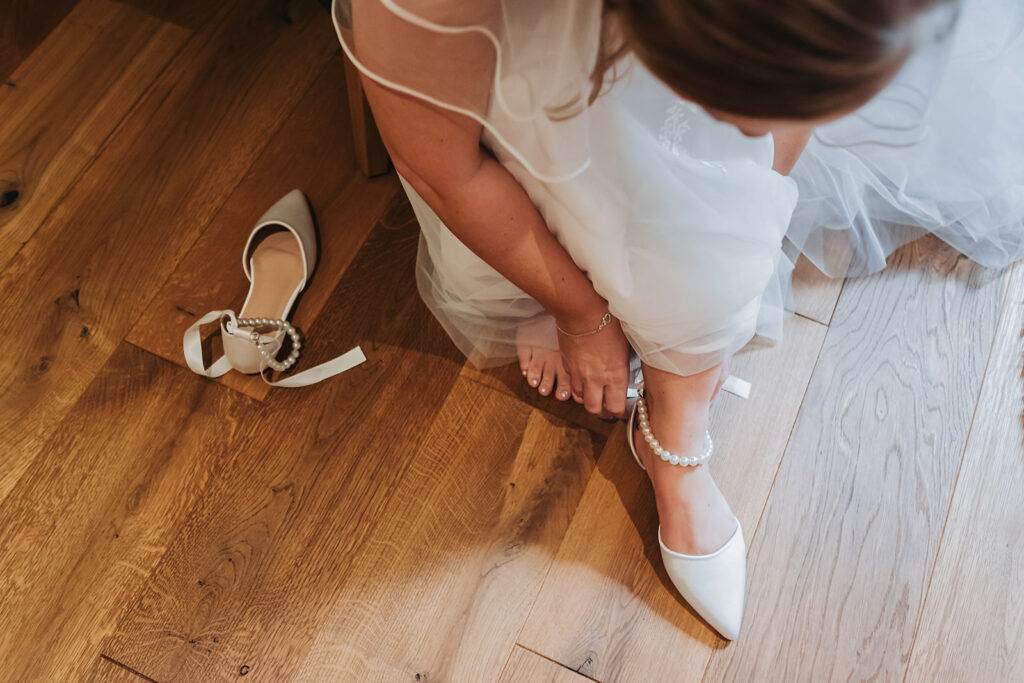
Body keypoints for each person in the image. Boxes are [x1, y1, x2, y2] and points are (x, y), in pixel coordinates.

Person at [329, 0, 1024, 639]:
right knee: (622, 211)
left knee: (712, 238)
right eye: (735, 106)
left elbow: (768, 152)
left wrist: (744, 224)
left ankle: (675, 417)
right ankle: (595, 317)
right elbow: (442, 167)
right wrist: (582, 316)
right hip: (515, 81)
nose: (751, 132)